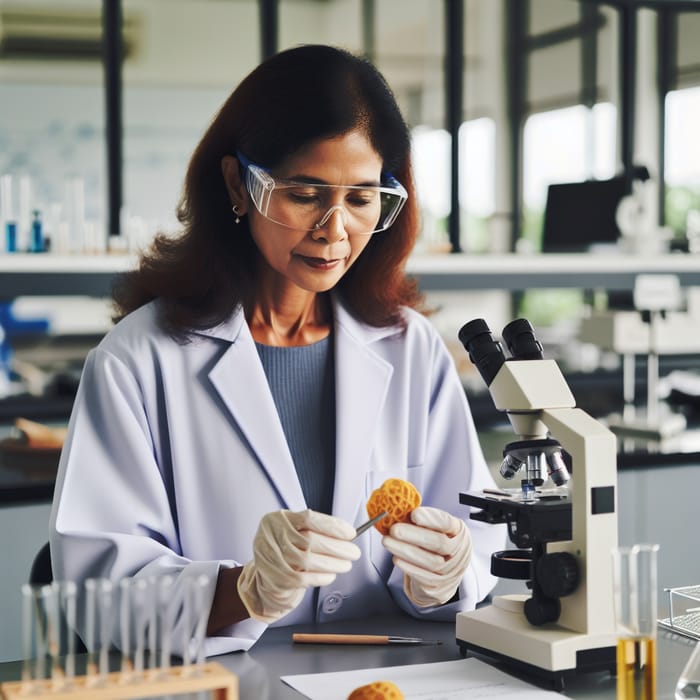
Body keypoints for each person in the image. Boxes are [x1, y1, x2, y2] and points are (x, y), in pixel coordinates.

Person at [49, 44, 506, 656]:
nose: (335, 230)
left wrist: (449, 572)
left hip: (387, 683)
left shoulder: (409, 348)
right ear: (239, 184)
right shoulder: (139, 360)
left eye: (362, 198)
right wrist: (245, 590)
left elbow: (474, 541)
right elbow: (97, 595)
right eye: (305, 193)